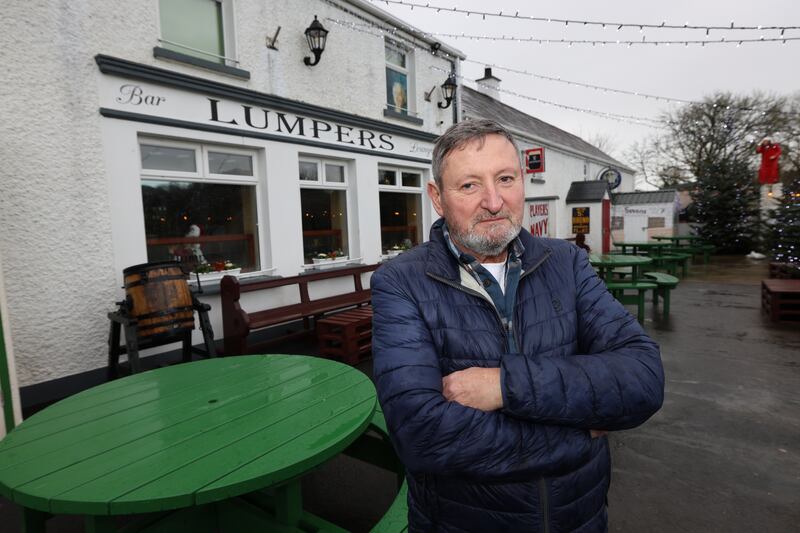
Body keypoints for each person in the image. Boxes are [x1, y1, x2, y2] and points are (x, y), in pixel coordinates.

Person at [371, 120, 664, 532]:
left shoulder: (567, 263)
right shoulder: (401, 282)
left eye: (505, 178)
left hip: (579, 519)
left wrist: (503, 385)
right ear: (438, 198)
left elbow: (643, 377)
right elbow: (421, 435)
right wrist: (581, 434)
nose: (494, 201)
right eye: (469, 185)